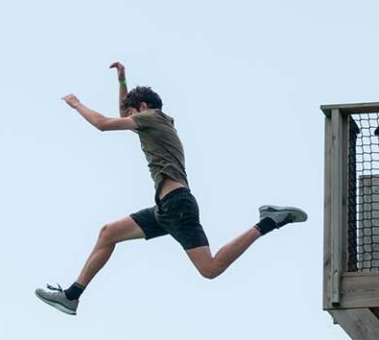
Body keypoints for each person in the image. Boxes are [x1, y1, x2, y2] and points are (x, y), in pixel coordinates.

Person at [35, 62, 307, 316]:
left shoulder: (151, 118)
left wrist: (76, 103)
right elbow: (122, 114)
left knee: (209, 269)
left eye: (130, 114)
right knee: (108, 233)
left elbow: (104, 124)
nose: (127, 120)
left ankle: (269, 221)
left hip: (177, 206)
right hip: (165, 209)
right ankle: (72, 296)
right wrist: (122, 81)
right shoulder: (156, 121)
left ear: (142, 108)